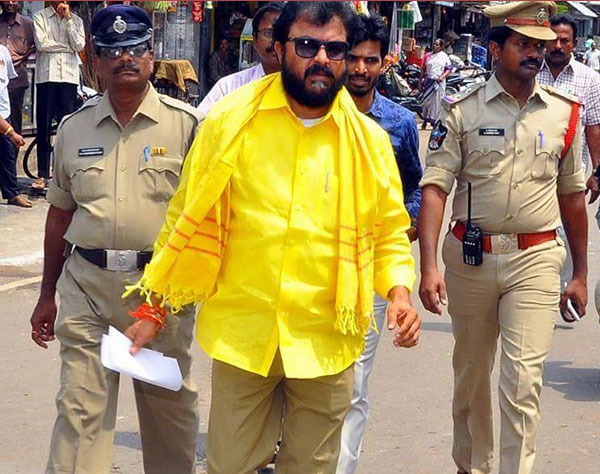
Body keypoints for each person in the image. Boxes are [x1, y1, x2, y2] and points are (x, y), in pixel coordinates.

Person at [124, 2, 420, 473]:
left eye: (334, 48)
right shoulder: (229, 125)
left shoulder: (370, 143)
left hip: (327, 339)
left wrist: (400, 294)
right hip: (245, 338)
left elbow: (388, 231)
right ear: (279, 50)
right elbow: (187, 217)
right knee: (229, 465)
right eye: (306, 45)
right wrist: (154, 309)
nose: (321, 58)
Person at [418, 2, 588, 474]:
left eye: (540, 46)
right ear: (496, 49)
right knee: (471, 377)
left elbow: (573, 198)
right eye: (524, 45)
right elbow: (435, 188)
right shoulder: (461, 112)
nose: (535, 53)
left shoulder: (563, 115)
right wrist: (428, 266)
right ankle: (473, 466)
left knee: (523, 380)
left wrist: (580, 274)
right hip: (471, 259)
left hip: (536, 258)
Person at [30, 5, 200, 474]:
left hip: (159, 291)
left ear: (152, 56)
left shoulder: (186, 126)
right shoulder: (72, 128)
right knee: (80, 414)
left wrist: (169, 297)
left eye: (136, 49)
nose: (126, 58)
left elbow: (204, 224)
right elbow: (60, 216)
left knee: (170, 417)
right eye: (112, 51)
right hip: (86, 287)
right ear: (95, 63)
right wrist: (47, 295)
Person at [337, 14, 422, 473]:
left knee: (353, 385)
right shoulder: (315, 113)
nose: (360, 69)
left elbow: (413, 185)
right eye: (352, 58)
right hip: (317, 269)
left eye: (370, 60)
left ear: (384, 64)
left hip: (372, 271)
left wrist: (404, 227)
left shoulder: (399, 122)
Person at [538, 13, 600, 308]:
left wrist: (596, 172)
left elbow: (594, 128)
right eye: (553, 40)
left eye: (565, 41)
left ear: (575, 44)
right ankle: (540, 292)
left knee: (564, 232)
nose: (558, 46)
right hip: (534, 172)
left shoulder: (590, 80)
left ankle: (563, 290)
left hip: (571, 174)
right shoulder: (529, 72)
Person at [198, 2, 283, 119]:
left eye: (283, 33)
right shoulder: (229, 88)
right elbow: (200, 126)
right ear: (255, 40)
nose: (276, 42)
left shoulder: (306, 89)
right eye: (268, 33)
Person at [32, 1, 85, 192]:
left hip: (69, 78)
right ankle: (42, 174)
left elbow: (79, 44)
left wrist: (69, 19)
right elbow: (41, 44)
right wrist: (66, 47)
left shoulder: (76, 20)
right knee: (44, 127)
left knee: (67, 128)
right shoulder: (40, 17)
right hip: (47, 76)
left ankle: (63, 174)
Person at [0, 1, 35, 138]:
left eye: (14, 0)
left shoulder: (28, 25)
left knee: (15, 122)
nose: (10, 3)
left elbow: (37, 46)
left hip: (17, 81)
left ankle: (12, 157)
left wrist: (24, 56)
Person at [0, 40, 27, 207]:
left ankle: (12, 194)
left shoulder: (3, 51)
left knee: (7, 155)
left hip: (4, 112)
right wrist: (11, 132)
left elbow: (8, 81)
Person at [419, 38, 452, 129]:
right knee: (426, 103)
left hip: (439, 82)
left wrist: (442, 76)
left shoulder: (444, 56)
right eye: (434, 44)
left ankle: (435, 122)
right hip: (428, 82)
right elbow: (423, 69)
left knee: (437, 103)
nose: (435, 46)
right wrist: (420, 81)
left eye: (437, 44)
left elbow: (449, 69)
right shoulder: (427, 56)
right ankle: (425, 121)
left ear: (441, 47)